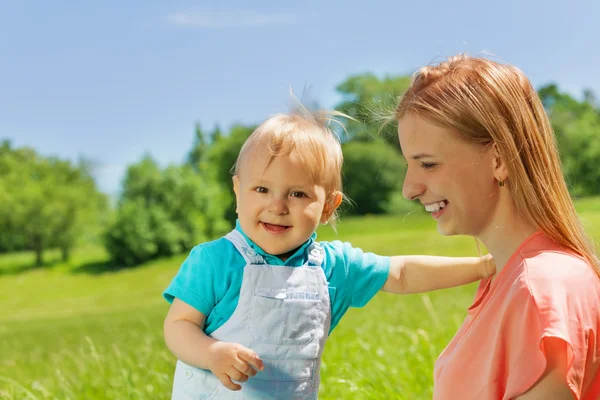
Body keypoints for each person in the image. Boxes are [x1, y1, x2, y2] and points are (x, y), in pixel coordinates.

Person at [163, 106, 496, 399]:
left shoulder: (333, 267)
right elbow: (178, 326)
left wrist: (483, 266)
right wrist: (212, 354)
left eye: (297, 194)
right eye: (261, 189)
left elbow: (402, 273)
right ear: (238, 191)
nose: (277, 206)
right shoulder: (215, 260)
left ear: (328, 206)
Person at [395, 54, 600, 400]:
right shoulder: (511, 281)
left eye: (428, 164)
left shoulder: (539, 290)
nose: (408, 188)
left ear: (500, 159)